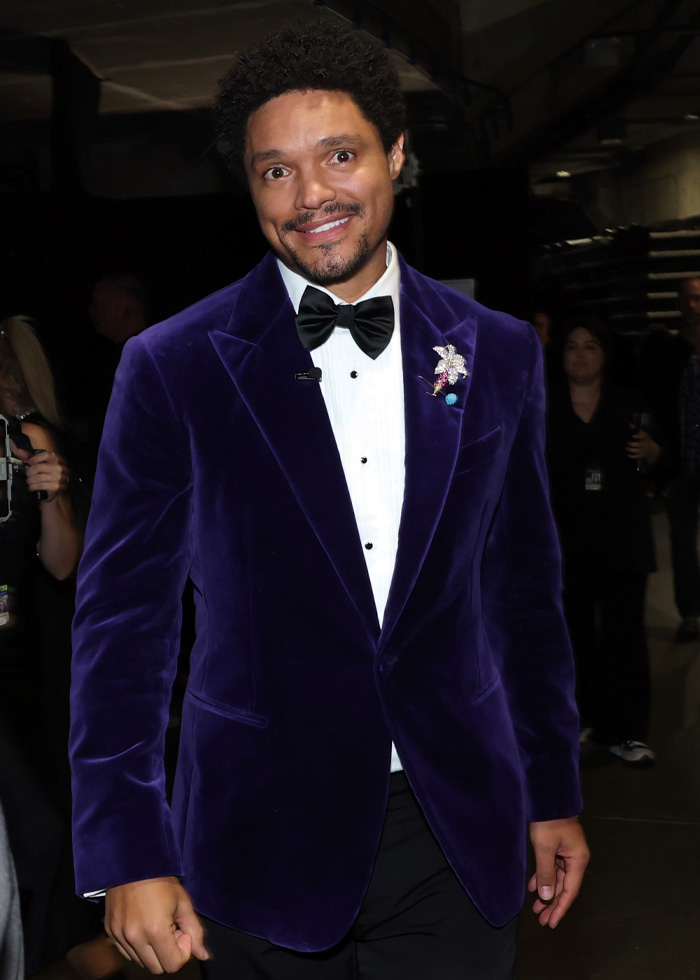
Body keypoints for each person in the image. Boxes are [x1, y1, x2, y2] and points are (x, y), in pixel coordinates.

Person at [69, 22, 588, 980]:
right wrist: (129, 850)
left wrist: (552, 788)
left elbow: (522, 594)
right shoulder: (173, 366)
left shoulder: (499, 349)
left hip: (458, 829)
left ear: (395, 155)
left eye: (339, 155)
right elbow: (121, 629)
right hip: (260, 838)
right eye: (275, 172)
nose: (311, 197)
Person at [547, 317, 664, 766]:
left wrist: (652, 453)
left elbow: (657, 462)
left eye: (590, 347)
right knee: (571, 636)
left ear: (605, 355)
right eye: (572, 346)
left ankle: (628, 732)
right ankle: (580, 721)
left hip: (621, 537)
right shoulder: (544, 404)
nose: (580, 355)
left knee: (624, 637)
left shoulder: (629, 403)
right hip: (564, 539)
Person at [638, 276, 700, 642]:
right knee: (681, 539)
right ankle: (691, 613)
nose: (692, 305)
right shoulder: (669, 353)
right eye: (687, 299)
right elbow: (655, 403)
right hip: (681, 461)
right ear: (678, 304)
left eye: (698, 298)